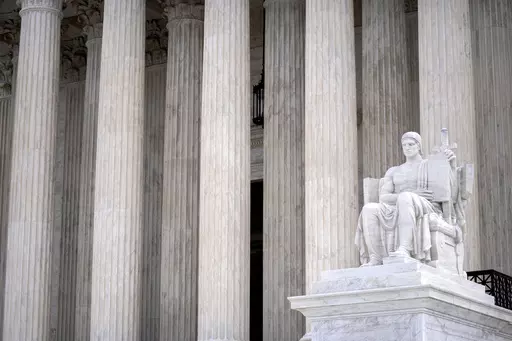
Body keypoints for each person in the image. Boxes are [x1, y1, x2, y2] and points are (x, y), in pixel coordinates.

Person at [355, 132, 457, 266]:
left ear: (419, 146)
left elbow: (450, 191)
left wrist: (451, 165)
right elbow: (383, 197)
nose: (407, 148)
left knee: (405, 197)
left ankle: (405, 249)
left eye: (411, 144)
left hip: (426, 205)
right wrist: (413, 192)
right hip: (397, 205)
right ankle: (376, 257)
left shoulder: (430, 165)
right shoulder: (393, 171)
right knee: (369, 209)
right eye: (404, 145)